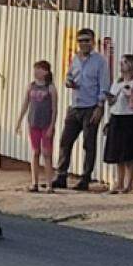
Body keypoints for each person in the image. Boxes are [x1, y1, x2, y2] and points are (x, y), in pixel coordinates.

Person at [51, 28, 111, 191]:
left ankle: (85, 177)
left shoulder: (100, 62)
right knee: (66, 141)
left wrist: (100, 106)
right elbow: (69, 76)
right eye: (81, 41)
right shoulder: (75, 59)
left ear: (93, 41)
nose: (84, 44)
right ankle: (61, 175)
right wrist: (69, 81)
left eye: (87, 40)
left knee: (88, 143)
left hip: (91, 106)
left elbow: (104, 85)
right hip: (76, 105)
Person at [103, 55, 133, 194]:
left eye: (125, 63)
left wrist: (132, 96)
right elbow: (111, 103)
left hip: (131, 118)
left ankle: (129, 184)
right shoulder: (117, 83)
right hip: (117, 117)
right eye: (121, 63)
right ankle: (119, 182)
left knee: (130, 153)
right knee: (118, 153)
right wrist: (110, 99)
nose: (122, 66)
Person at [15, 60, 58, 193]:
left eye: (39, 69)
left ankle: (50, 184)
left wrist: (52, 126)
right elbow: (25, 104)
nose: (36, 72)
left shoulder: (50, 87)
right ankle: (34, 183)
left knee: (47, 154)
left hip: (45, 124)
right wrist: (19, 121)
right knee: (35, 152)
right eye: (35, 69)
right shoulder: (31, 86)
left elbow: (54, 108)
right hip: (33, 123)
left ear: (46, 72)